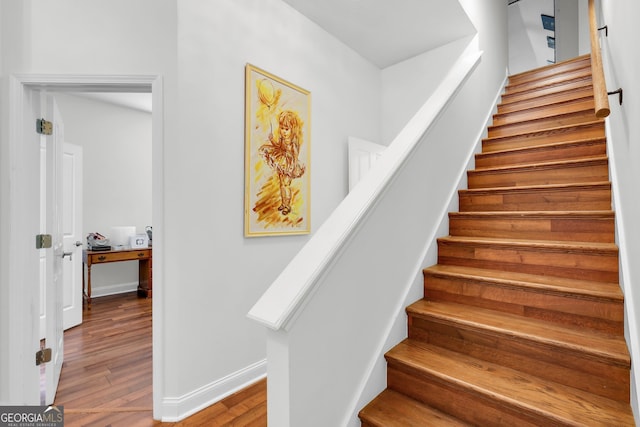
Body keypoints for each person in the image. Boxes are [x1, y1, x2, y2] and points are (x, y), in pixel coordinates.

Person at [259, 110, 305, 215]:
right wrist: (271, 140)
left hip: (289, 164)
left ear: (292, 129)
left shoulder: (293, 141)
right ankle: (283, 203)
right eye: (282, 128)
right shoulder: (282, 138)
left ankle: (287, 206)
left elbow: (295, 154)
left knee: (286, 184)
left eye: (286, 129)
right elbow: (278, 146)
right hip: (282, 161)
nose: (284, 131)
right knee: (282, 184)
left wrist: (292, 165)